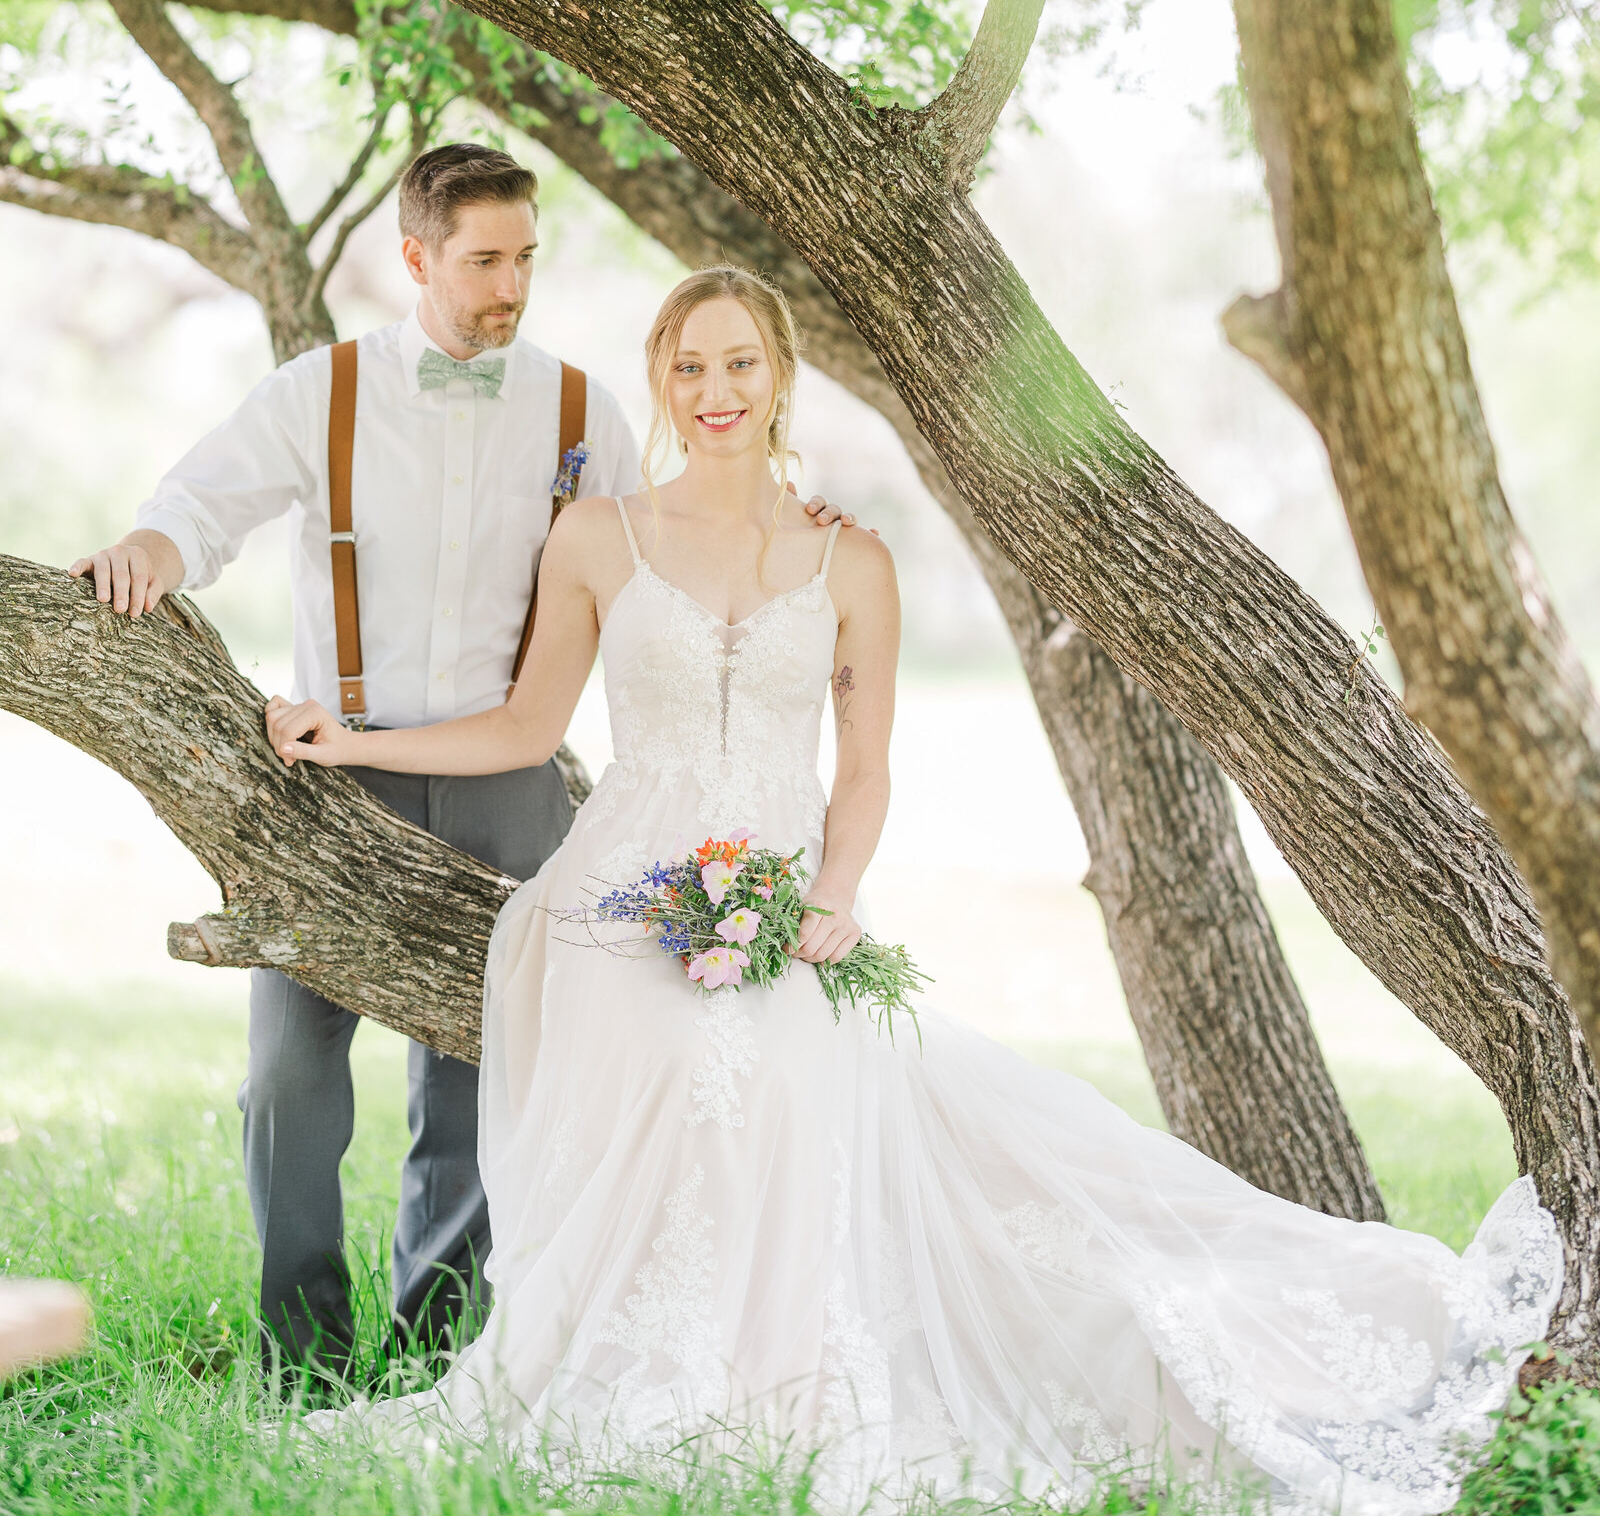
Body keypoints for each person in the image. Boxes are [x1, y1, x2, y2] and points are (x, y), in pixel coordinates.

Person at [263, 264, 1563, 1513]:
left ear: (779, 379)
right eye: (690, 365)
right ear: (661, 381)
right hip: (622, 897)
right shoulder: (598, 536)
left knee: (785, 1076)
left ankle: (778, 1374)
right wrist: (357, 739)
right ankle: (643, 1361)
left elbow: (868, 771)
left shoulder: (852, 561)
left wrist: (832, 895)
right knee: (665, 1052)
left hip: (785, 890)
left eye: (741, 363)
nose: (716, 389)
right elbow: (523, 723)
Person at [69, 145, 849, 1390]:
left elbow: (660, 562)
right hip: (330, 782)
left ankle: (438, 1348)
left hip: (510, 779)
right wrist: (150, 549)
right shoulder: (317, 393)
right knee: (285, 1074)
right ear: (416, 257)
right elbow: (199, 504)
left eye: (527, 256)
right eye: (484, 260)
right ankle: (304, 1356)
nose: (511, 285)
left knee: (476, 1074)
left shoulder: (582, 410)